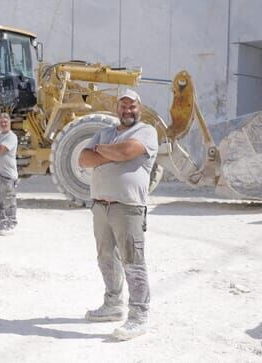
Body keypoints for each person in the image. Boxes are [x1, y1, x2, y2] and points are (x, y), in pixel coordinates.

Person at [78, 89, 158, 341]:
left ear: (139, 108)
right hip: (101, 206)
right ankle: (113, 304)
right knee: (105, 258)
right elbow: (83, 158)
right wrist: (110, 151)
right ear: (117, 108)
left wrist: (102, 151)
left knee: (133, 262)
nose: (127, 110)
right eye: (123, 106)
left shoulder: (147, 131)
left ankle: (138, 316)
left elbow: (126, 153)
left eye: (132, 106)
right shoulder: (107, 132)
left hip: (128, 207)